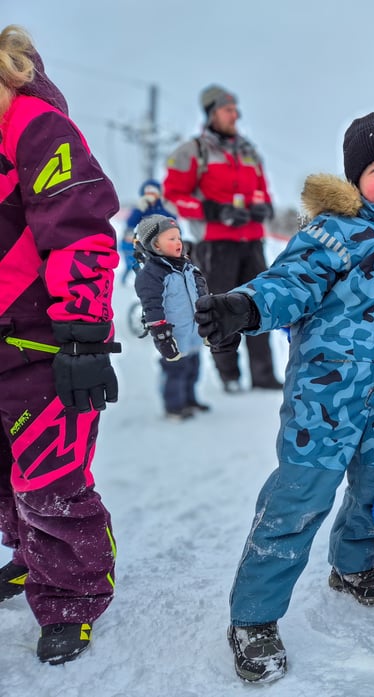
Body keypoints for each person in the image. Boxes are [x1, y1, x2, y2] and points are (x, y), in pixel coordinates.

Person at [193, 112, 374, 684]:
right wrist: (245, 306)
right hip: (323, 399)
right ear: (356, 180)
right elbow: (289, 284)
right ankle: (253, 617)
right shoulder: (333, 232)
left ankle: (351, 567)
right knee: (298, 498)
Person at [0, 25, 120, 665]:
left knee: (49, 481)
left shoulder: (34, 126)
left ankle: (71, 592)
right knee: (5, 482)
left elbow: (80, 233)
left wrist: (83, 340)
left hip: (41, 347)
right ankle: (30, 556)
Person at [163, 84, 281, 393]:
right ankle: (229, 375)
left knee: (260, 304)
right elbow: (174, 195)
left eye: (235, 110)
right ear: (212, 113)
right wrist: (215, 211)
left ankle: (263, 375)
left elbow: (263, 189)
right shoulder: (195, 151)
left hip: (252, 243)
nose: (234, 115)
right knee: (221, 311)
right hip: (216, 246)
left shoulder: (249, 150)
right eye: (228, 109)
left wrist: (263, 207)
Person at [132, 215, 209, 420]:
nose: (178, 242)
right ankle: (174, 405)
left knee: (193, 367)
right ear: (155, 245)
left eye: (178, 237)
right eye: (171, 239)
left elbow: (200, 294)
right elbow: (153, 307)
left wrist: (208, 319)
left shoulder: (187, 266)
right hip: (174, 335)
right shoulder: (152, 274)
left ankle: (190, 398)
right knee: (175, 369)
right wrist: (162, 334)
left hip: (193, 331)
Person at [121, 179, 177, 284]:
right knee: (135, 256)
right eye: (147, 192)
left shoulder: (165, 206)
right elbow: (130, 224)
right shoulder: (140, 208)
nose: (150, 195)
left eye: (153, 191)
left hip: (161, 242)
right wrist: (139, 209)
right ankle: (133, 278)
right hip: (143, 242)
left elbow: (173, 221)